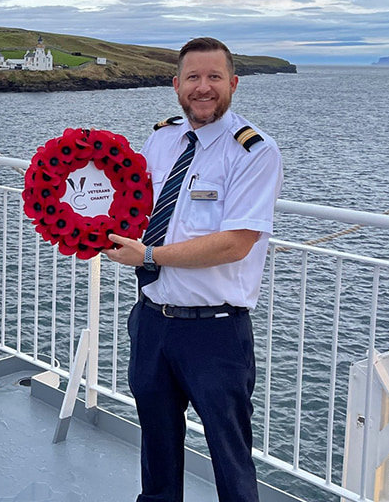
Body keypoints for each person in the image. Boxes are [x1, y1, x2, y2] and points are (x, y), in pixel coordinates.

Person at [104, 37, 283, 502]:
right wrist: (88, 223)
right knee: (157, 447)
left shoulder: (253, 152)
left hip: (215, 333)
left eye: (214, 77)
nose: (203, 88)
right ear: (176, 84)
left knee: (230, 455)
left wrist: (148, 256)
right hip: (152, 321)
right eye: (193, 78)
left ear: (234, 84)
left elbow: (235, 243)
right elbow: (130, 207)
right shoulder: (161, 139)